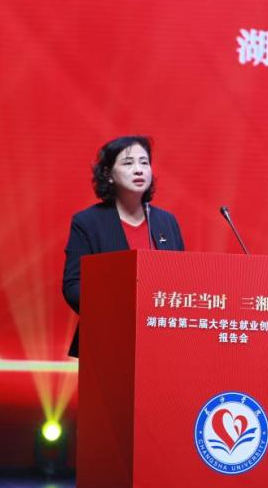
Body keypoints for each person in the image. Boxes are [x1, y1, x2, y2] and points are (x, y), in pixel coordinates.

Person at [62, 135, 185, 357]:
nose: (138, 170)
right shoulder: (88, 222)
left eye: (144, 162)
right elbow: (73, 286)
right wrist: (113, 311)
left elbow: (183, 282)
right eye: (128, 163)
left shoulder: (166, 221)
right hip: (107, 340)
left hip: (162, 340)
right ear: (108, 174)